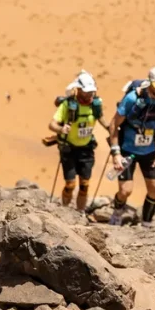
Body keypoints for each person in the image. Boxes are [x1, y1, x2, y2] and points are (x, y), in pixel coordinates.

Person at [106, 66, 155, 227]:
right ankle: (117, 213)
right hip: (127, 150)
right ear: (149, 83)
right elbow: (114, 124)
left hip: (149, 151)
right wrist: (116, 153)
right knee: (125, 191)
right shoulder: (132, 98)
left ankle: (146, 223)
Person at [46, 71, 110, 211]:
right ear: (78, 89)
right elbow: (52, 124)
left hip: (86, 149)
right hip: (69, 149)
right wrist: (61, 129)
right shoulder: (68, 105)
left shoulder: (95, 105)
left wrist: (111, 129)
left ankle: (80, 213)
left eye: (91, 92)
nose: (89, 95)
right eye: (86, 92)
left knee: (84, 185)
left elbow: (102, 119)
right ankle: (64, 210)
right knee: (70, 185)